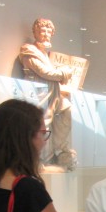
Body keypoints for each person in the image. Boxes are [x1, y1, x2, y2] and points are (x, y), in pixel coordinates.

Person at [18, 18, 76, 171]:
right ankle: (38, 158)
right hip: (39, 95)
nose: (45, 34)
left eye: (49, 32)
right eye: (42, 31)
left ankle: (61, 150)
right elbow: (45, 72)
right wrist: (64, 72)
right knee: (42, 125)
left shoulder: (47, 56)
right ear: (35, 32)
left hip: (54, 95)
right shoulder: (29, 51)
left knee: (67, 111)